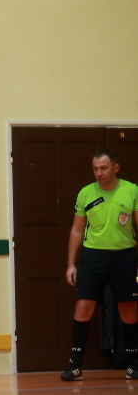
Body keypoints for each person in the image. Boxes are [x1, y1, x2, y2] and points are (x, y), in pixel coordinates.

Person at [62, 149, 138, 382]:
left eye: (103, 168)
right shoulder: (86, 193)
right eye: (95, 168)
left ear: (116, 168)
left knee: (128, 309)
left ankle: (133, 364)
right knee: (83, 307)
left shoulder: (131, 190)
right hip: (93, 256)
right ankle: (75, 365)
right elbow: (77, 230)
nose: (99, 173)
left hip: (124, 256)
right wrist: (71, 264)